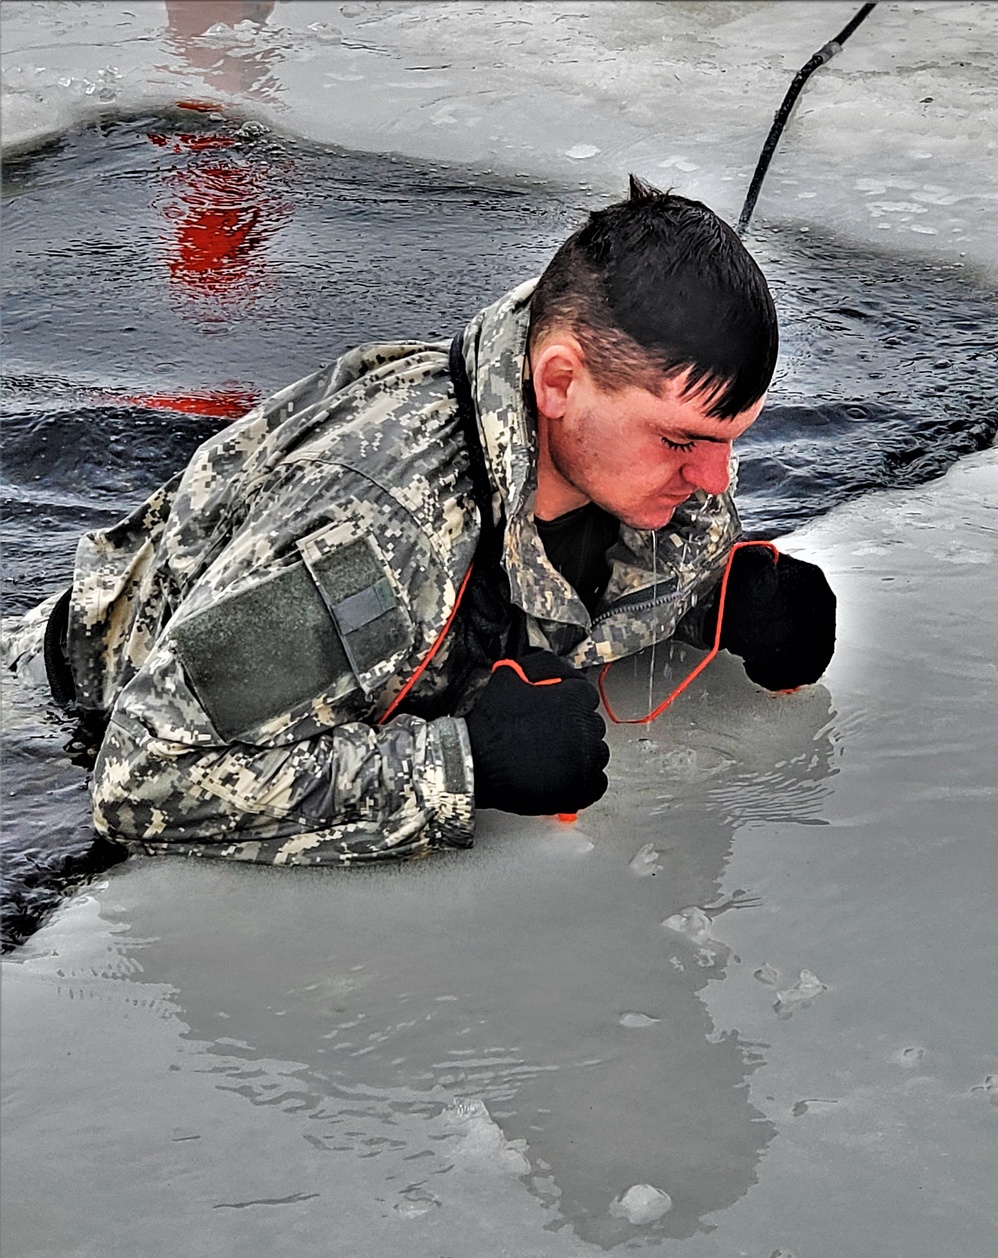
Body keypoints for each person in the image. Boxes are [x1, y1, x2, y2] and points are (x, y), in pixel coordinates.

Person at [2, 178, 836, 865]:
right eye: (683, 441)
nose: (713, 480)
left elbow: (567, 584)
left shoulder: (633, 454)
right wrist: (464, 766)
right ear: (557, 382)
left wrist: (720, 601)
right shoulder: (372, 528)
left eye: (732, 442)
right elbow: (144, 777)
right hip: (46, 739)